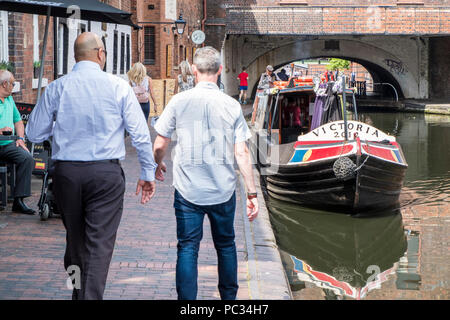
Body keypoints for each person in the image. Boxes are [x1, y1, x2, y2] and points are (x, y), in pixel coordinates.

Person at [26, 32, 157, 300]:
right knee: (99, 243)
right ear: (100, 53)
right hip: (105, 174)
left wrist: (60, 126)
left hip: (67, 174)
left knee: (75, 240)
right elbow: (140, 134)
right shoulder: (118, 86)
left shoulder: (57, 87)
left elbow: (34, 134)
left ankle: (79, 293)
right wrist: (147, 173)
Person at [152, 46, 259, 300]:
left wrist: (158, 163)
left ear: (193, 70)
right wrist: (252, 193)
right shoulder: (231, 105)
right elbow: (241, 153)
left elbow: (160, 143)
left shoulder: (179, 101)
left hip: (188, 192)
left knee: (188, 248)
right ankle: (229, 300)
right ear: (220, 70)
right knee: (226, 246)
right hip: (222, 191)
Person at [0, 70, 35, 215]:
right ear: (4, 84)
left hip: (8, 144)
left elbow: (18, 121)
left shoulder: (9, 100)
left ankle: (18, 201)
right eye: (13, 84)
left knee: (27, 158)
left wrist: (20, 139)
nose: (13, 86)